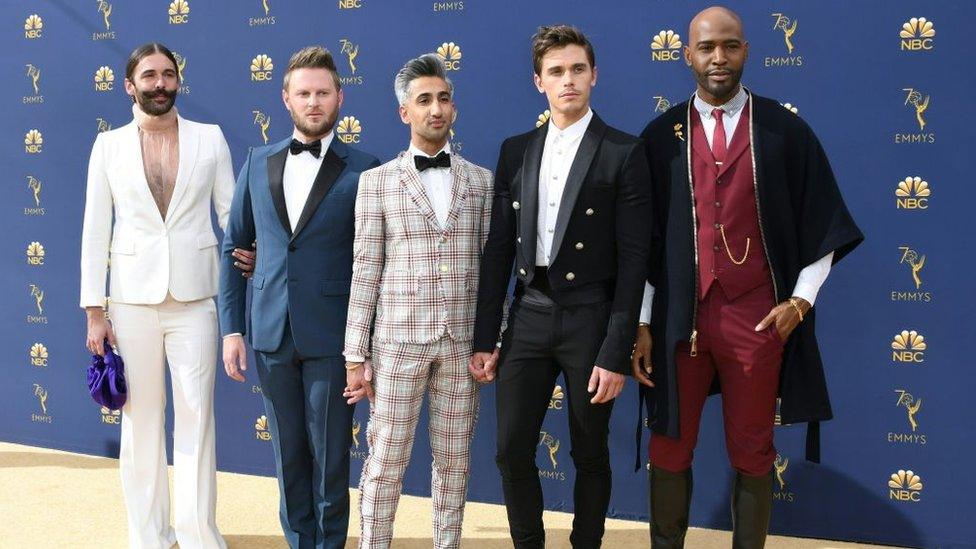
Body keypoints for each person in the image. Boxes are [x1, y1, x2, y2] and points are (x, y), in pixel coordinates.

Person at [632, 7, 863, 548]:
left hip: (756, 318)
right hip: (678, 320)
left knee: (753, 448)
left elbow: (824, 222)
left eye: (730, 46)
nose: (719, 58)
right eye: (707, 47)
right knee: (668, 445)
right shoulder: (659, 136)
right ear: (687, 55)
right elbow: (640, 246)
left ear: (745, 52)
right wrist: (642, 323)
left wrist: (800, 303)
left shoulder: (785, 130)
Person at [470, 25, 652, 549]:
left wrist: (616, 350)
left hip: (592, 318)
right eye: (556, 72)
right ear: (538, 82)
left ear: (594, 76)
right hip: (528, 313)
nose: (567, 80)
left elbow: (636, 259)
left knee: (589, 449)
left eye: (577, 69)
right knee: (509, 449)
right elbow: (498, 250)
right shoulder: (516, 150)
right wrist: (485, 338)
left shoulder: (623, 151)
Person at [218, 46, 379, 549]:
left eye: (323, 93)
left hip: (333, 336)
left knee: (331, 456)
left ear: (340, 98)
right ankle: (298, 541)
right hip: (269, 330)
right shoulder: (257, 160)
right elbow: (234, 246)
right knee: (287, 454)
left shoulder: (366, 169)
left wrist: (366, 344)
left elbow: (375, 261)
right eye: (303, 93)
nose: (314, 102)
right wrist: (231, 329)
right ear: (285, 98)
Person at [80, 42, 233, 549]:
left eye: (168, 74)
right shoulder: (108, 146)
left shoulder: (210, 139)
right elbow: (94, 232)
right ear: (130, 85)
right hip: (131, 301)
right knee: (140, 425)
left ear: (178, 82)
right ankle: (148, 536)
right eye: (149, 76)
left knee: (197, 420)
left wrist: (244, 258)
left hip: (196, 299)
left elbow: (231, 217)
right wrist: (94, 311)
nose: (160, 83)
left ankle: (197, 535)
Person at [344, 53, 493, 549]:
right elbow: (364, 271)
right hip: (397, 344)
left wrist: (492, 339)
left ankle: (447, 543)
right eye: (424, 100)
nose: (436, 109)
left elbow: (492, 273)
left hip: (462, 343)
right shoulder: (377, 182)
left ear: (454, 108)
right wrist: (354, 355)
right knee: (385, 457)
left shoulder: (482, 182)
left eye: (443, 99)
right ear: (404, 112)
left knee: (454, 460)